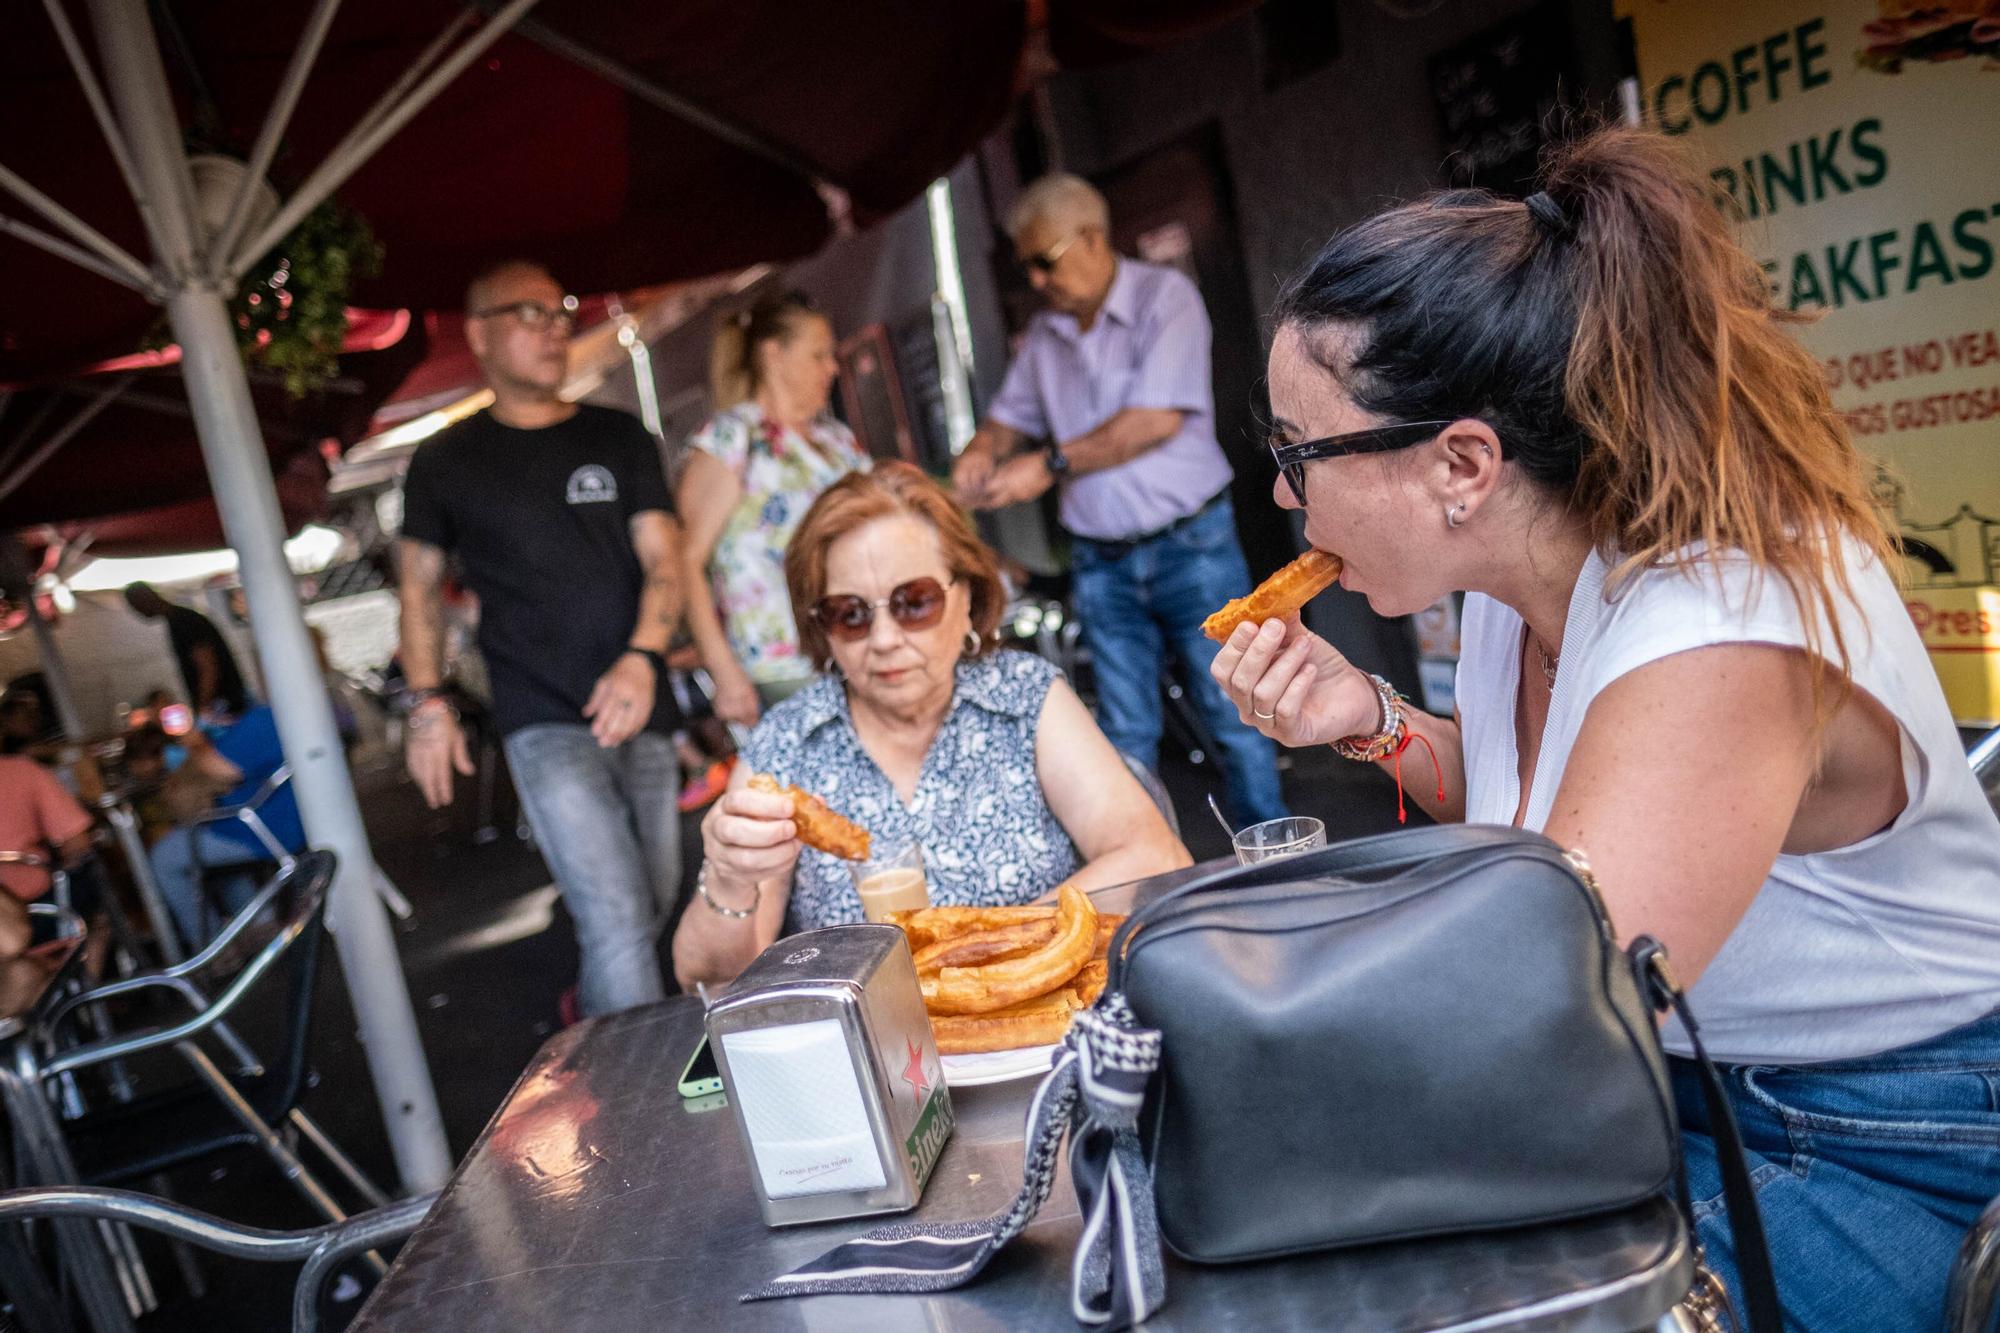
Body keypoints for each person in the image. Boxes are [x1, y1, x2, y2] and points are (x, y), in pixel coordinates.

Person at [1210, 126, 2000, 1328]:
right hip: (1663, 1088)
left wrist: (1245, 1028)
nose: (1280, 494)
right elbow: (1564, 820)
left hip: (1874, 1129)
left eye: (1294, 451)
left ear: (1460, 464)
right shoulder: (1510, 578)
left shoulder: (1718, 617)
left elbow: (1542, 996)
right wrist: (1367, 719)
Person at [672, 463, 1190, 991]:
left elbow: (1155, 857)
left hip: (1040, 1025)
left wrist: (980, 950)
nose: (884, 638)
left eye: (914, 602)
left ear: (967, 598)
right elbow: (712, 978)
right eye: (850, 614)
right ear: (821, 628)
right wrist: (729, 879)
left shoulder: (1024, 694)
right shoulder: (785, 744)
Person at [951, 173, 1286, 829]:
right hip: (1100, 558)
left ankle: (1274, 857)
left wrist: (1048, 465)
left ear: (1092, 238)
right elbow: (1005, 418)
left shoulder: (1167, 298)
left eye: (1042, 261)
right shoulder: (1045, 336)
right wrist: (981, 450)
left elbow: (1154, 420)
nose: (1036, 280)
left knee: (1234, 707)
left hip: (1192, 544)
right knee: (1125, 727)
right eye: (1027, 267)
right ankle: (1140, 865)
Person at [398, 259, 686, 1019]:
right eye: (528, 313)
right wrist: (428, 702)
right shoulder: (444, 459)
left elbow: (667, 558)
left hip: (641, 701)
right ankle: (641, 1116)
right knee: (620, 919)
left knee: (650, 902)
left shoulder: (619, 435)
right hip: (541, 715)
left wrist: (642, 657)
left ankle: (591, 1019)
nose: (555, 325)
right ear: (480, 336)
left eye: (558, 309)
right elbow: (419, 588)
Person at [679, 291, 870, 725]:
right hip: (782, 664)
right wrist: (724, 672)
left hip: (861, 645)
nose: (832, 368)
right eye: (818, 355)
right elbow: (686, 560)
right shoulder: (731, 438)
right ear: (773, 354)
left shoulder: (837, 439)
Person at [148, 704, 303, 949]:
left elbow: (222, 770)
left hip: (260, 827)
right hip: (271, 821)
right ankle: (260, 922)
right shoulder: (290, 712)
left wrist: (194, 740)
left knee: (163, 858)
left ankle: (212, 947)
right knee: (212, 854)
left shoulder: (262, 718)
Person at [123, 583, 250, 720]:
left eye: (136, 606)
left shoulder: (184, 622)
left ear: (145, 599)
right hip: (224, 701)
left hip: (223, 704)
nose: (138, 612)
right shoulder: (179, 620)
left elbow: (208, 667)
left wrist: (203, 706)